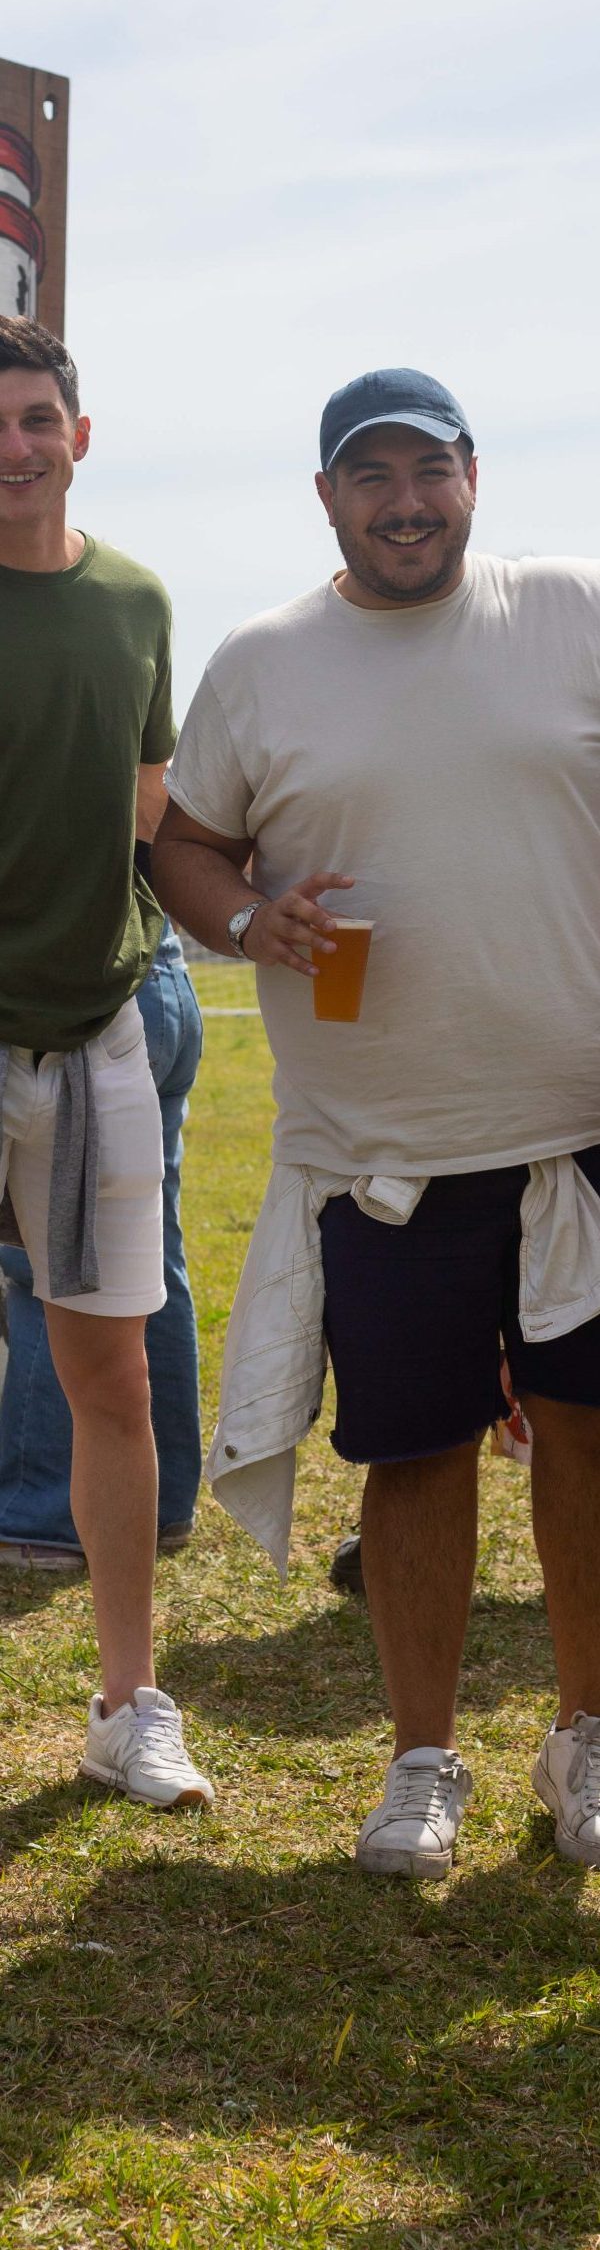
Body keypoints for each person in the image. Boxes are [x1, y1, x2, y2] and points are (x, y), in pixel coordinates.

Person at [154, 363, 600, 1876]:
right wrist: (245, 918)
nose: (406, 504)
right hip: (383, 1147)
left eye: (430, 472)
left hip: (578, 1127)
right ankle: (423, 1760)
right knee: (414, 1452)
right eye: (372, 477)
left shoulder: (570, 611)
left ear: (474, 477)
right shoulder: (264, 661)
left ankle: (585, 1738)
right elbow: (186, 842)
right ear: (328, 497)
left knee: (589, 1437)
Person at [0, 313, 212, 1811]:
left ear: (78, 437)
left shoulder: (137, 598)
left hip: (94, 1040)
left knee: (113, 1380)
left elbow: (154, 811)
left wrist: (256, 902)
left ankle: (129, 1704)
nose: (13, 448)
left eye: (35, 421)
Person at [0, 883, 203, 1567]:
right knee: (138, 1274)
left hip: (84, 990)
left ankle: (43, 1515)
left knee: (60, 1270)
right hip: (155, 967)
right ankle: (156, 1505)